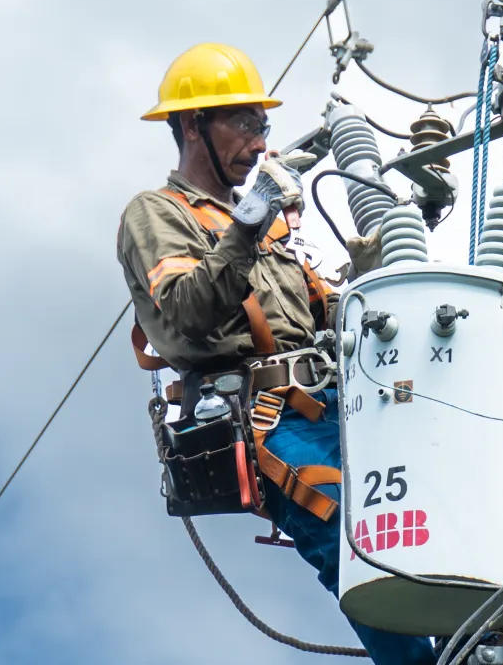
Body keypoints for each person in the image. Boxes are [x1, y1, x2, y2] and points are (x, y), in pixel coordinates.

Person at [116, 42, 432, 665]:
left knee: (431, 526)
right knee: (355, 546)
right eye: (244, 124)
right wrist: (251, 221)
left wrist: (377, 281)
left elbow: (316, 316)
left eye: (264, 126)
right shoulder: (156, 214)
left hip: (339, 401)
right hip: (272, 420)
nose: (260, 143)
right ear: (190, 126)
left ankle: (475, 646)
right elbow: (185, 313)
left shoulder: (264, 225)